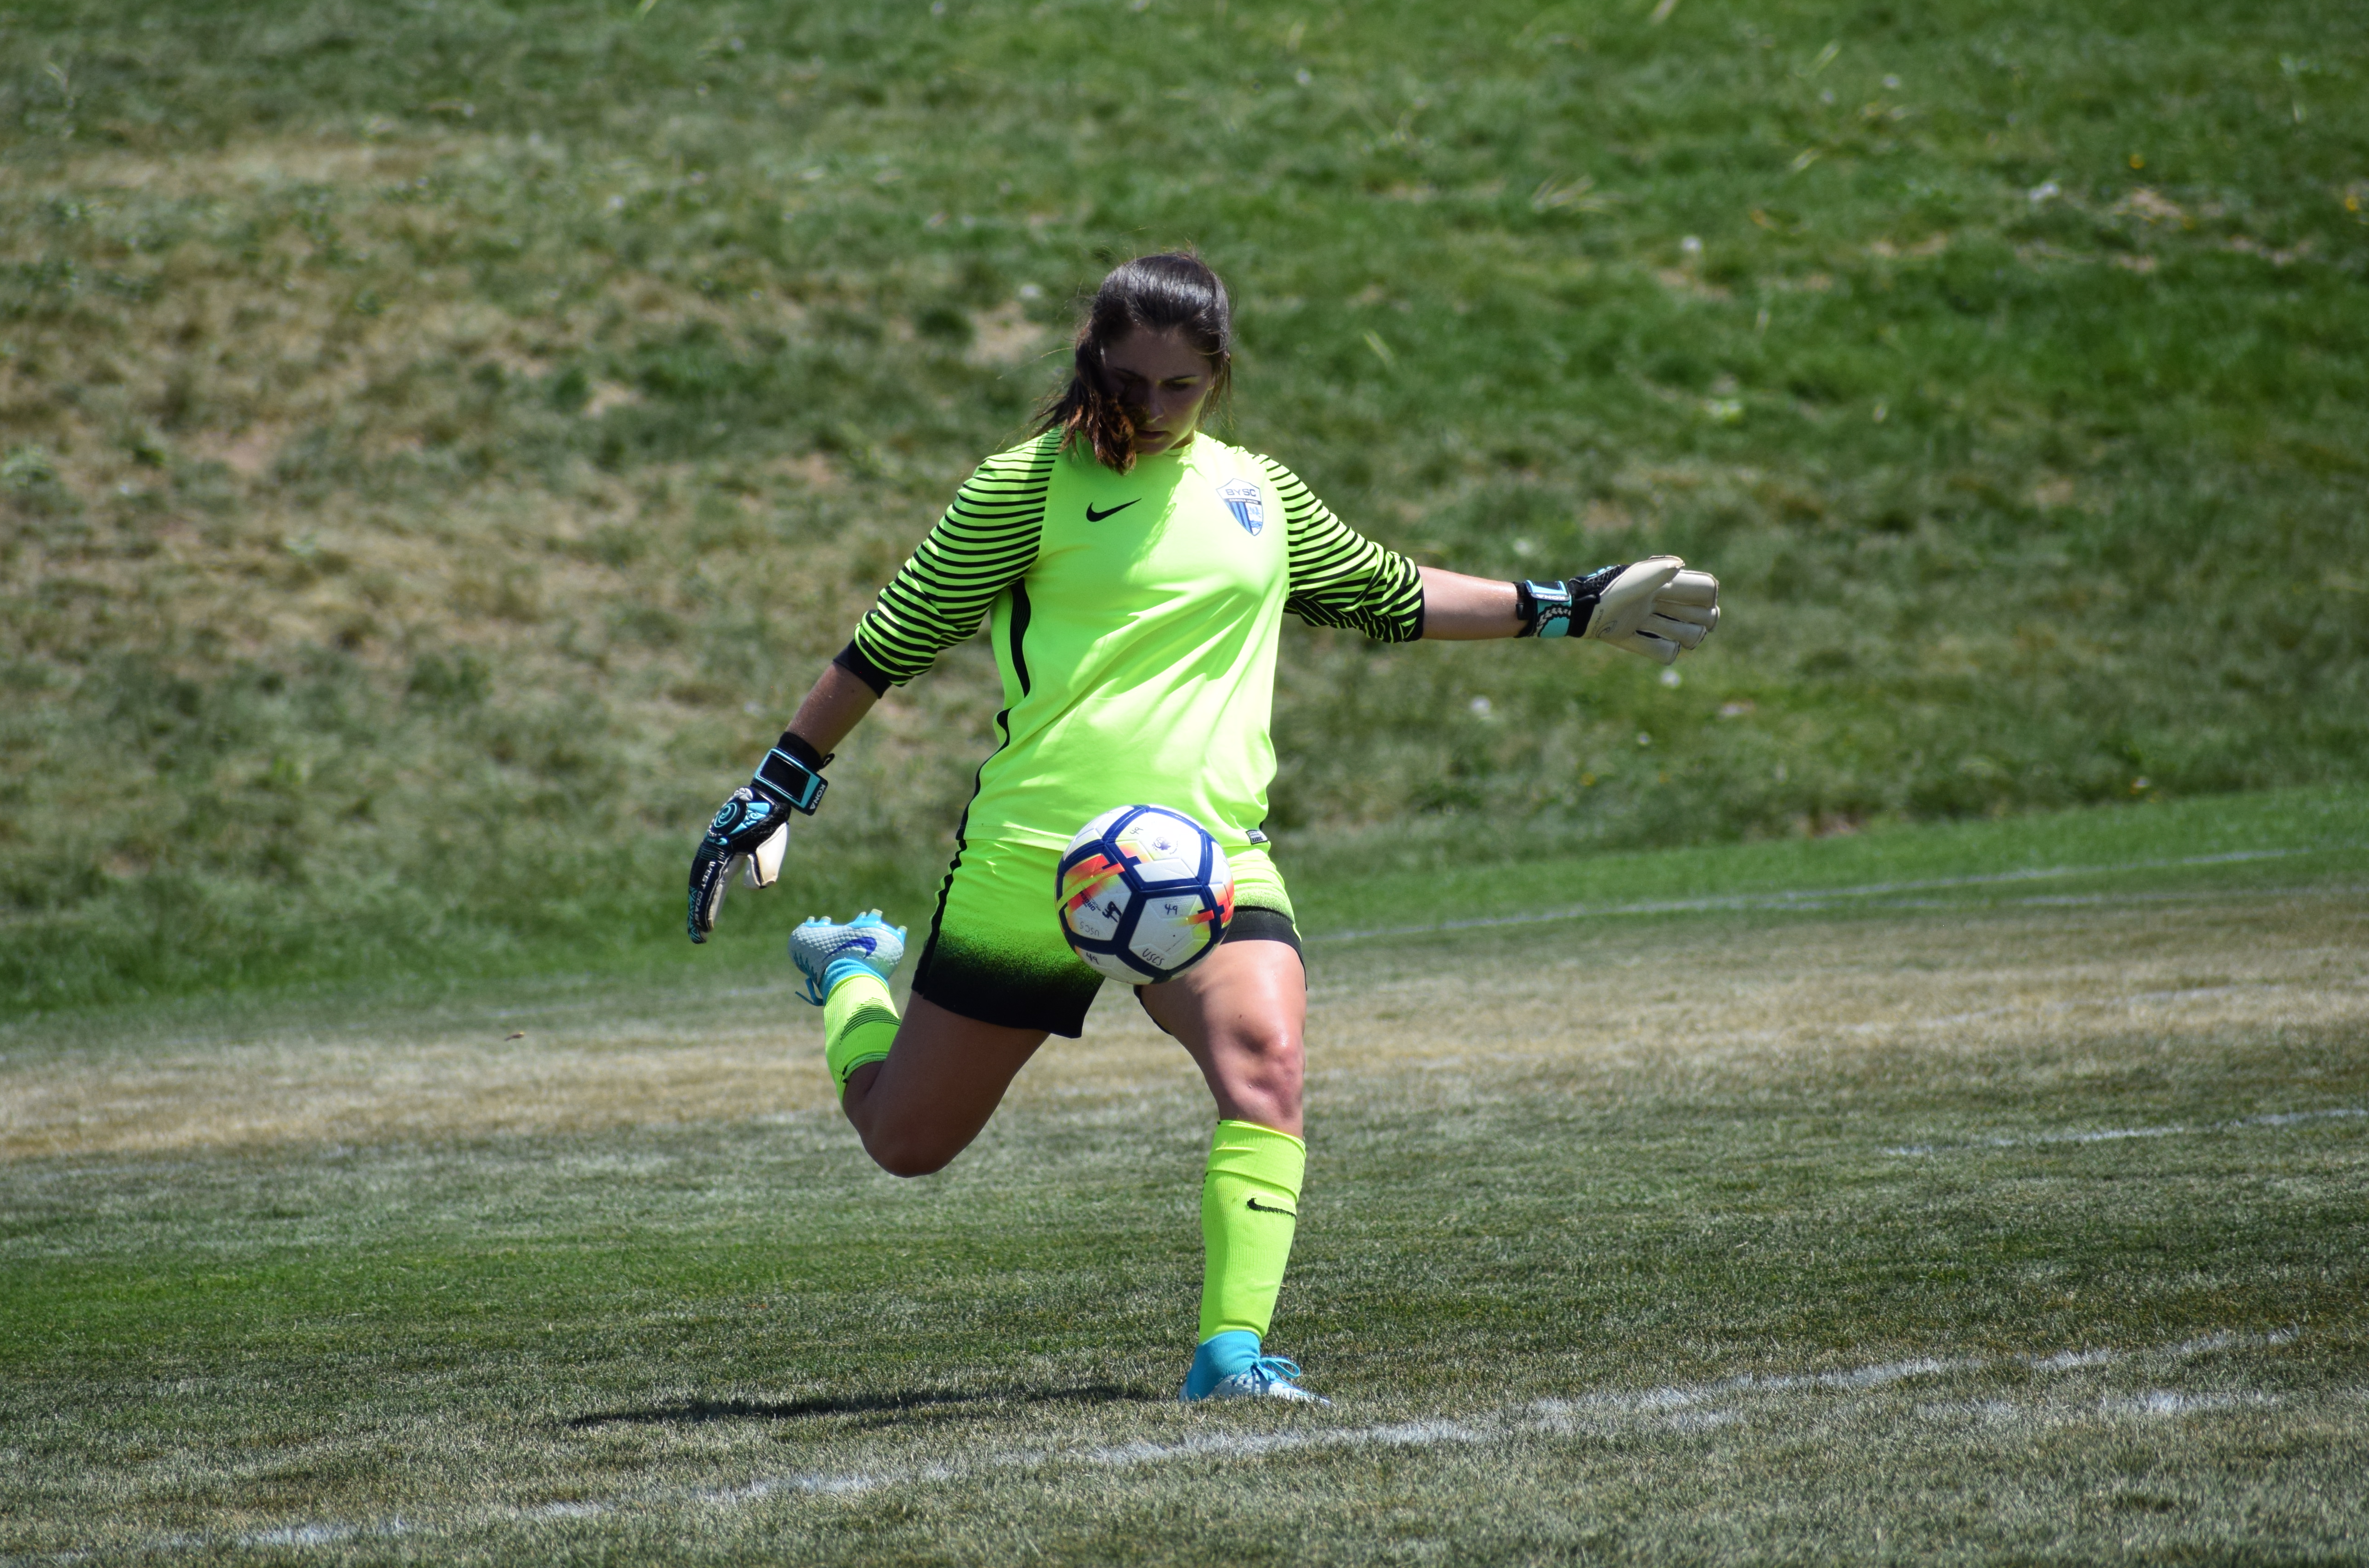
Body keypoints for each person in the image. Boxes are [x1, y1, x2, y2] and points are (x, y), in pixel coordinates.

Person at [686, 252, 1721, 1404]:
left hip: (1210, 863)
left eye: (1179, 387)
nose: (1151, 407)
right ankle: (848, 975)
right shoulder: (1024, 486)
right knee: (906, 1141)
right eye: (1129, 381)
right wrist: (777, 785)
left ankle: (1230, 1354)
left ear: (1217, 377)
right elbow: (889, 643)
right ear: (1093, 363)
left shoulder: (1260, 497)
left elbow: (1390, 592)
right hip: (1036, 862)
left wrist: (1563, 607)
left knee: (1266, 1065)